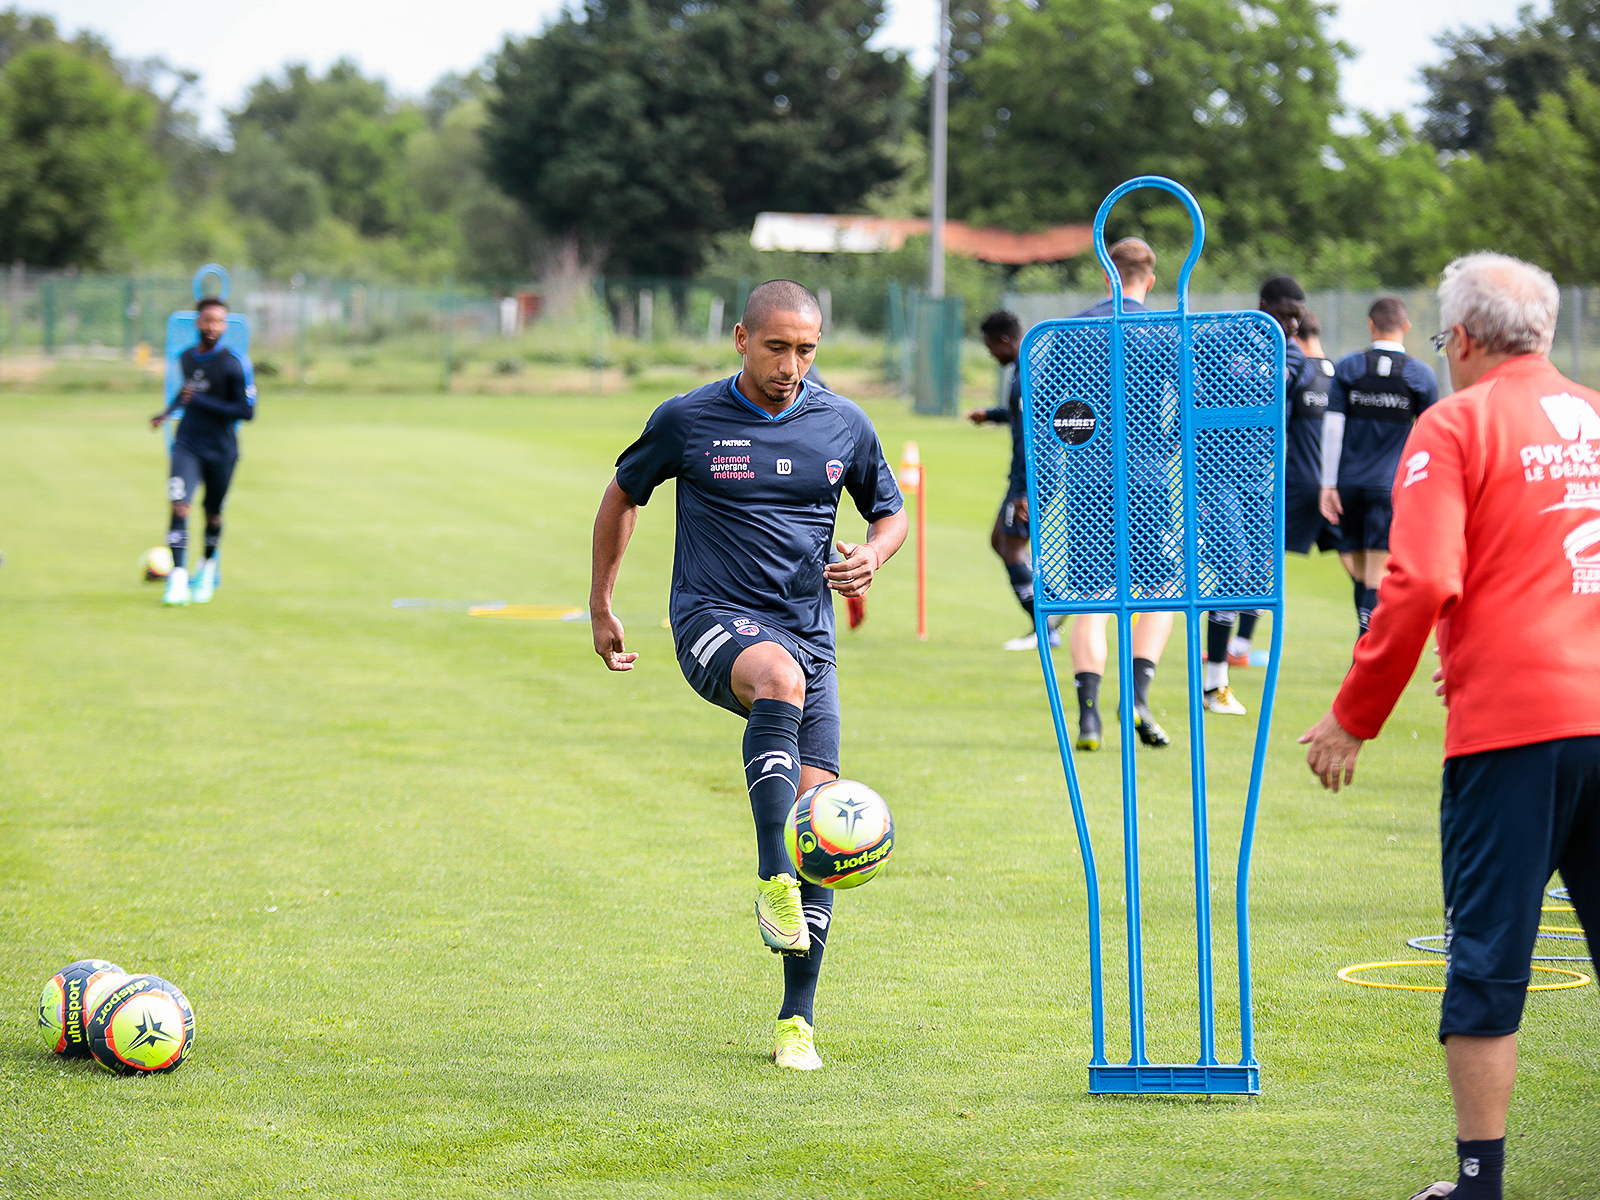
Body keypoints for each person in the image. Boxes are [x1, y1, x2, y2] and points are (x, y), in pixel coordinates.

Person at [1299, 253, 1596, 1200]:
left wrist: (1354, 716)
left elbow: (1421, 578)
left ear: (1461, 340)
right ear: (1542, 333)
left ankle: (1479, 1182)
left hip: (1515, 731)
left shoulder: (1459, 421)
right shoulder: (1594, 413)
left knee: (1489, 956)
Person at [590, 279, 906, 1072]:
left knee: (824, 825)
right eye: (776, 347)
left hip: (810, 635)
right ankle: (771, 875)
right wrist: (601, 604)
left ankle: (796, 1021)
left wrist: (873, 552)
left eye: (806, 350)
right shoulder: (687, 419)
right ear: (740, 338)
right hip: (712, 620)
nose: (791, 365)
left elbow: (889, 511)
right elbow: (621, 497)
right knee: (777, 680)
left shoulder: (843, 421)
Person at [1066, 237, 1174, 750]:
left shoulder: (1075, 329)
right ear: (1149, 279)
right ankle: (1136, 696)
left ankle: (1088, 717)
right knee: (1159, 592)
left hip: (1088, 480)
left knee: (1089, 599)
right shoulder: (1165, 331)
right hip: (1150, 476)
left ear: (1105, 272)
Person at [1201, 275, 1307, 715]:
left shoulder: (1294, 354)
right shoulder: (1220, 337)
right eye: (1284, 315)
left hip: (1260, 476)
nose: (1292, 326)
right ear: (1263, 306)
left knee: (1254, 577)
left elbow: (1266, 386)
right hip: (1216, 472)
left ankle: (1226, 665)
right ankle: (1214, 684)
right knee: (1234, 568)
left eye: (1297, 318)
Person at [1319, 294, 1439, 636]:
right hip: (1389, 487)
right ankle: (1365, 652)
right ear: (1406, 327)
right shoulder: (1420, 375)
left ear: (1371, 325)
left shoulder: (1349, 367)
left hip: (1348, 486)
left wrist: (1327, 484)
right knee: (1374, 574)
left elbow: (1332, 428)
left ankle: (1362, 647)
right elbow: (1433, 436)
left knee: (1361, 572)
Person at [147, 297, 256, 606]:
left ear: (225, 325)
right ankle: (178, 580)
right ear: (197, 321)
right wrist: (166, 413)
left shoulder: (233, 363)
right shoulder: (186, 358)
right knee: (180, 504)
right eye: (207, 320)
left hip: (222, 450)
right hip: (188, 444)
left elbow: (246, 412)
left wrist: (199, 402)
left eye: (219, 321)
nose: (212, 327)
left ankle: (206, 568)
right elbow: (187, 394)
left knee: (213, 514)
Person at [967, 310, 1055, 650]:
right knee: (1000, 541)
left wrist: (1023, 491)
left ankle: (1045, 629)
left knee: (1011, 547)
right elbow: (1022, 416)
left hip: (1034, 475)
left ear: (1005, 341)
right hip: (1031, 475)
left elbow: (1034, 435)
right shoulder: (1027, 368)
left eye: (991, 347)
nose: (991, 355)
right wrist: (991, 414)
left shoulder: (1029, 374)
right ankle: (1046, 612)